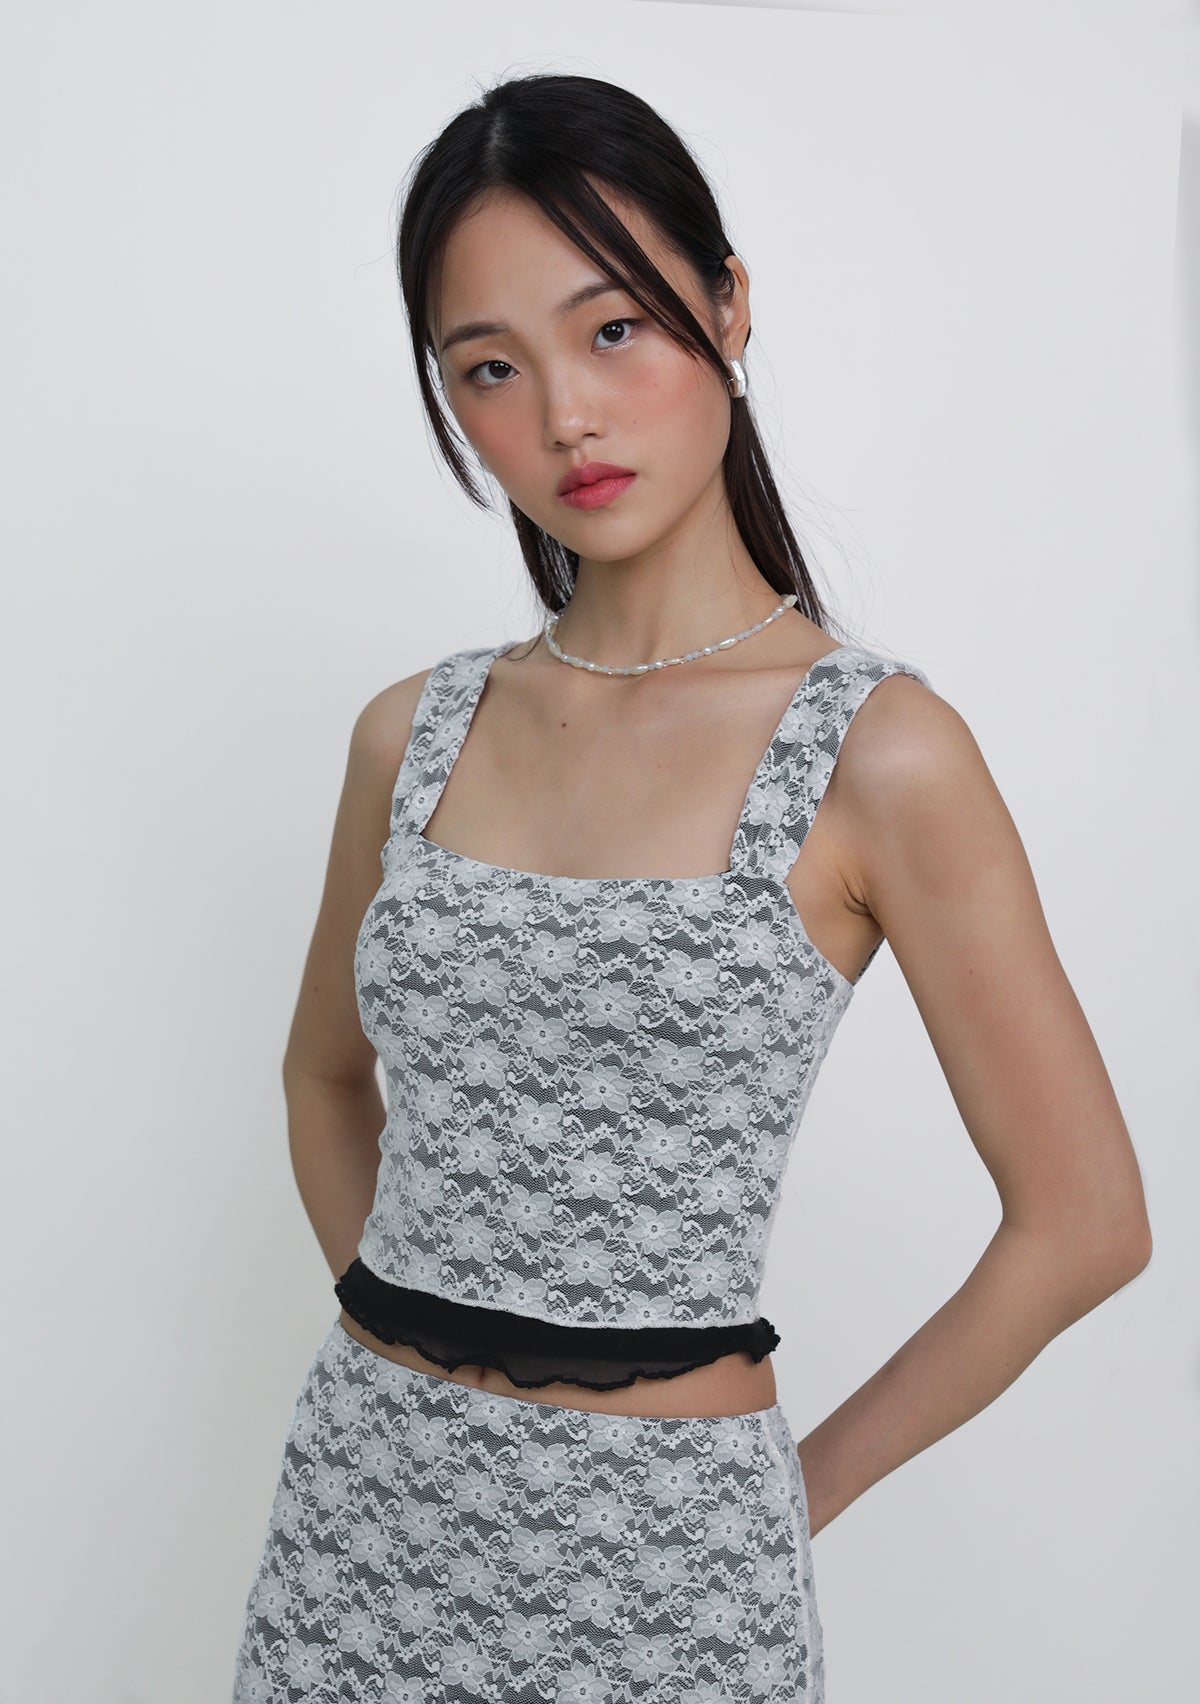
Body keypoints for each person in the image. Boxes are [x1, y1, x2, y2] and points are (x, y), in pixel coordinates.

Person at [231, 71, 1152, 1703]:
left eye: (613, 330)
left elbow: (1085, 1225)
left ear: (727, 306)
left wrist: (780, 1504)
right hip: (359, 1528)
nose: (566, 419)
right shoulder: (414, 735)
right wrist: (406, 1347)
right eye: (490, 368)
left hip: (664, 1574)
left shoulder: (877, 752)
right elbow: (321, 1078)